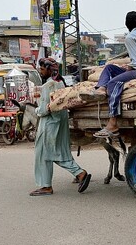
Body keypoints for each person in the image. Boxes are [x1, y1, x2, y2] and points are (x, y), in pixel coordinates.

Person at [29, 57, 92, 196]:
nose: (40, 71)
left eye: (42, 68)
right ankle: (76, 175)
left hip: (50, 124)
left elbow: (46, 109)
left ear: (49, 70)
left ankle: (77, 174)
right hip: (61, 121)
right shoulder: (61, 83)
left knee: (46, 153)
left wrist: (36, 110)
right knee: (59, 152)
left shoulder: (48, 86)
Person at [92, 11, 136, 138]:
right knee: (110, 68)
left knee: (113, 82)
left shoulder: (130, 37)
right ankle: (101, 88)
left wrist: (126, 72)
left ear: (126, 24)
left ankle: (113, 122)